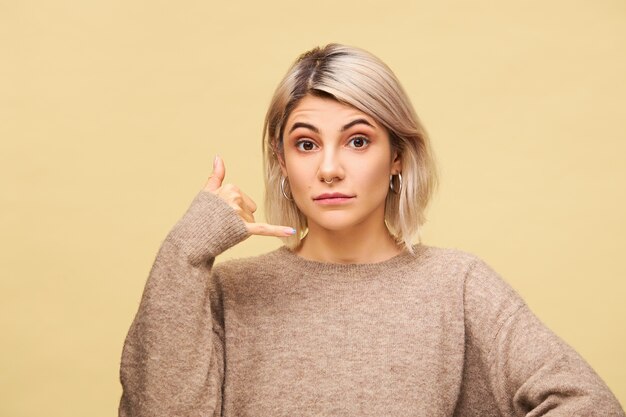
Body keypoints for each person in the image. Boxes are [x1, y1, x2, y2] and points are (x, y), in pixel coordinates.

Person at [118, 44, 625, 416]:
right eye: (307, 144)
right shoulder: (230, 293)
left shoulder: (457, 286)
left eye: (358, 141)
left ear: (398, 156)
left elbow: (589, 405)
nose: (330, 168)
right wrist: (187, 247)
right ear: (282, 160)